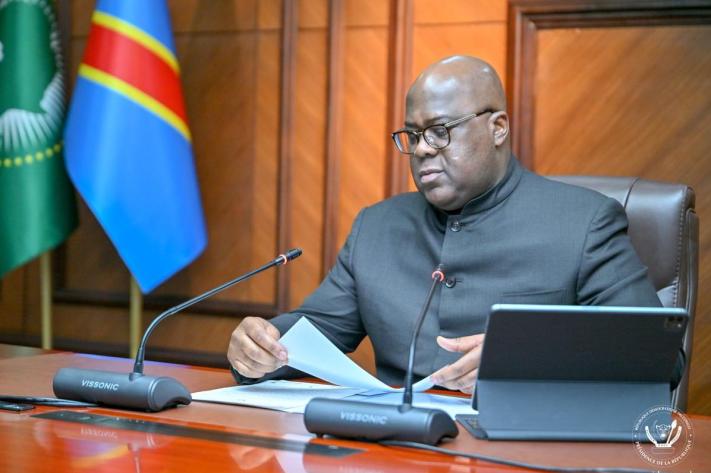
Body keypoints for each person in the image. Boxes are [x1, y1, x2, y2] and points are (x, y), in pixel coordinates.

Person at [227, 55, 663, 394]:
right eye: (413, 135)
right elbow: (313, 333)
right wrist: (259, 346)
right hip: (397, 452)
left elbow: (655, 353)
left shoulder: (584, 222)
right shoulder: (377, 227)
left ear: (498, 128)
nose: (421, 150)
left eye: (440, 130)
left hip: (518, 451)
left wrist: (528, 353)